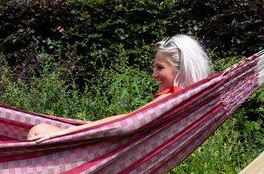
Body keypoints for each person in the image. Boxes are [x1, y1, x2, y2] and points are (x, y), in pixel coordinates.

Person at [26, 34, 212, 141]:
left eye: (160, 68)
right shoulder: (184, 101)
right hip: (116, 152)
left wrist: (70, 132)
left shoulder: (171, 99)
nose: (153, 74)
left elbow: (127, 121)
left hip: (106, 153)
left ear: (180, 70)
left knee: (39, 130)